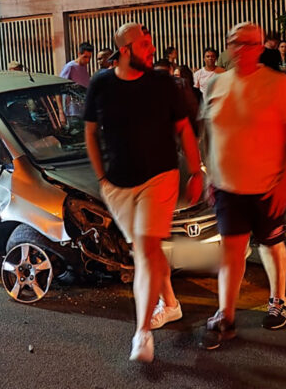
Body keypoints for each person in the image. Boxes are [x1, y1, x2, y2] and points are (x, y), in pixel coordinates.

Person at [84, 23, 203, 363]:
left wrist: (195, 172)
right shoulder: (101, 84)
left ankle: (142, 333)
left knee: (147, 250)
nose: (153, 50)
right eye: (145, 45)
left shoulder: (163, 83)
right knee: (146, 251)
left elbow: (183, 128)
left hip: (160, 177)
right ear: (125, 50)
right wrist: (101, 177)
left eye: (152, 44)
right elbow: (90, 132)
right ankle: (172, 304)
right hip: (119, 185)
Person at [199, 22, 286, 350]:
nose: (242, 49)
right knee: (231, 252)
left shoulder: (277, 84)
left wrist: (285, 184)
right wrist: (208, 174)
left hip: (267, 187)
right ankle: (226, 315)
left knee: (271, 245)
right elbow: (208, 133)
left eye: (250, 43)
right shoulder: (216, 83)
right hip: (227, 188)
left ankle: (278, 300)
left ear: (262, 47)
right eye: (236, 43)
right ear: (229, 46)